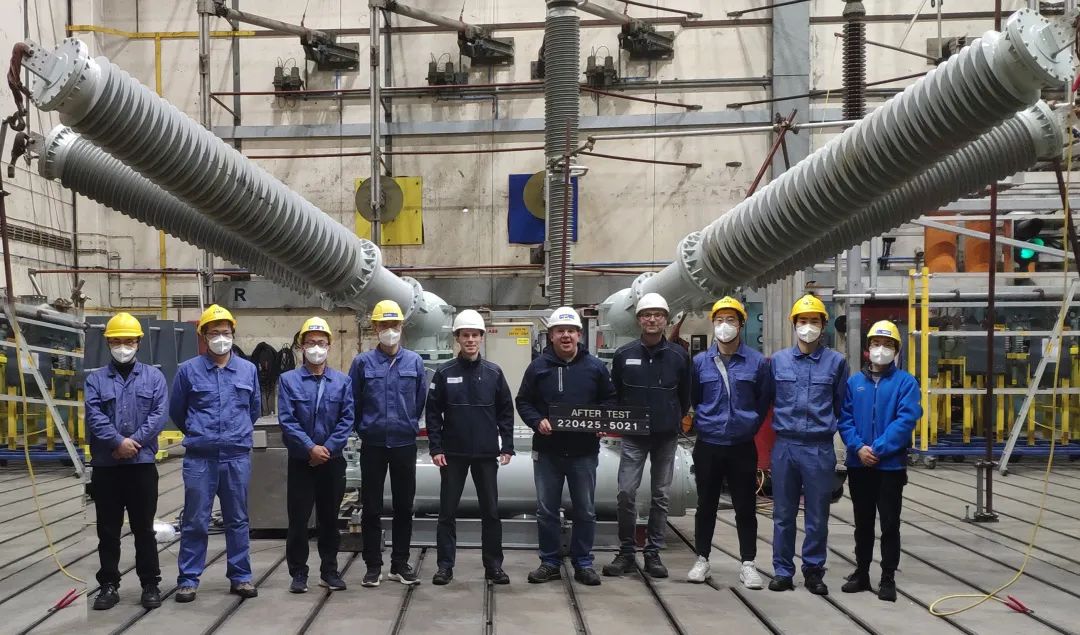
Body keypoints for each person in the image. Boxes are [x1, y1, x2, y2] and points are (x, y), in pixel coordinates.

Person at [516, 306, 616, 587]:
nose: (566, 336)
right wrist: (537, 421)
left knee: (585, 510)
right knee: (546, 511)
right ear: (551, 335)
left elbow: (610, 399)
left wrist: (601, 421)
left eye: (571, 330)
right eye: (560, 331)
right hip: (547, 452)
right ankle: (549, 562)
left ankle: (583, 563)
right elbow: (523, 401)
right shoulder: (538, 367)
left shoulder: (595, 367)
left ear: (579, 335)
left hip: (584, 453)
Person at [171, 304, 261, 602]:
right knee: (195, 520)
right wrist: (201, 434)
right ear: (204, 336)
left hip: (236, 457)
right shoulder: (188, 371)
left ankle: (241, 577)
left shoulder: (248, 370)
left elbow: (253, 410)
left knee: (238, 519)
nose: (220, 338)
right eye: (214, 333)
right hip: (201, 458)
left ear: (233, 334)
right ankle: (188, 579)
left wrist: (235, 435)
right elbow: (178, 411)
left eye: (225, 332)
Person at [685, 297, 772, 589]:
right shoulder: (700, 363)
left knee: (745, 506)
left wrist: (746, 426)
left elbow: (762, 401)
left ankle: (748, 563)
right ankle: (702, 559)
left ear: (741, 324)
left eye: (731, 320)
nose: (725, 326)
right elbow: (695, 398)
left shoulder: (757, 362)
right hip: (708, 444)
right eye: (720, 320)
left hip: (741, 446)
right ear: (713, 323)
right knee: (705, 505)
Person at [602, 293, 690, 579]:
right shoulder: (624, 355)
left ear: (666, 320)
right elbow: (615, 394)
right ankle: (626, 552)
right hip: (633, 436)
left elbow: (685, 396)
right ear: (639, 319)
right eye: (646, 315)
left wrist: (671, 418)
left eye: (658, 315)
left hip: (665, 436)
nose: (652, 319)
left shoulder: (678, 356)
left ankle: (653, 553)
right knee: (626, 492)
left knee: (661, 495)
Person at [85, 312, 169, 610]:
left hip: (141, 465)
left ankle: (150, 584)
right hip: (107, 467)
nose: (123, 347)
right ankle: (108, 585)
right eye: (117, 341)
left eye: (129, 341)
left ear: (138, 343)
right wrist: (117, 442)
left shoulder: (154, 378)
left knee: (144, 529)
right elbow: (94, 415)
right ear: (108, 343)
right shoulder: (95, 380)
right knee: (107, 530)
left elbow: (158, 415)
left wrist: (133, 443)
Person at [426, 309, 515, 586]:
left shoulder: (494, 373)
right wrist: (436, 448)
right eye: (465, 335)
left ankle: (494, 566)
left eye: (475, 335)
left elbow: (506, 411)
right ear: (457, 338)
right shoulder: (444, 373)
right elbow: (432, 413)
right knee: (447, 513)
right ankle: (445, 567)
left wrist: (507, 445)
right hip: (453, 454)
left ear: (482, 337)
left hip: (486, 454)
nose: (471, 340)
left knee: (491, 512)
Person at [768, 294, 848, 595]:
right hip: (785, 445)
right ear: (794, 324)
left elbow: (842, 406)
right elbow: (767, 400)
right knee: (783, 514)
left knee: (817, 515)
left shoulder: (836, 363)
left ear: (823, 325)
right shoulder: (778, 362)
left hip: (819, 447)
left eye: (814, 321)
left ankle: (814, 571)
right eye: (803, 321)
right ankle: (782, 571)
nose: (808, 326)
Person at [837, 320, 920, 602]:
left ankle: (887, 578)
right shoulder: (854, 383)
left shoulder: (906, 383)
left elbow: (906, 419)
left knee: (889, 524)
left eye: (887, 344)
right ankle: (861, 573)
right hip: (859, 464)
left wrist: (879, 448)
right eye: (876, 343)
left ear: (896, 350)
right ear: (867, 348)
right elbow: (845, 419)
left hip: (890, 467)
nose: (881, 349)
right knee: (862, 523)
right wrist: (859, 448)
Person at [349, 300, 427, 588]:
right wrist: (365, 428)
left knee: (404, 506)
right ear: (375, 328)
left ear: (401, 326)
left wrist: (406, 423)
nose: (389, 330)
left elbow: (419, 400)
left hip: (404, 443)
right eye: (384, 325)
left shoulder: (414, 362)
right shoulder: (362, 363)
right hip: (373, 444)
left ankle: (400, 564)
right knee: (371, 507)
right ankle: (373, 566)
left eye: (394, 325)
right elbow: (354, 401)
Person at [277, 317, 355, 594]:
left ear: (329, 346)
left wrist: (327, 449)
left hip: (332, 462)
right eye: (310, 343)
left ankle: (329, 571)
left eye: (321, 343)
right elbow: (287, 420)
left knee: (330, 519)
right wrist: (310, 448)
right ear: (301, 346)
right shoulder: (288, 380)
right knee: (298, 520)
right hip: (302, 461)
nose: (316, 348)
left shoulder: (342, 382)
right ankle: (298, 573)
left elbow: (347, 419)